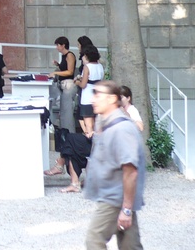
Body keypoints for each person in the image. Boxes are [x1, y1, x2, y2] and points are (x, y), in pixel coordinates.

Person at [84, 80, 145, 249]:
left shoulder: (122, 129)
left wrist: (126, 209)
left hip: (114, 199)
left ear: (111, 99)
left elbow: (131, 171)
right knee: (130, 246)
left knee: (94, 240)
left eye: (97, 95)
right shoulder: (109, 124)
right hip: (117, 197)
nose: (93, 99)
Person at [75, 45, 104, 137]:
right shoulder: (100, 66)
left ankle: (90, 142)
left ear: (87, 56)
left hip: (87, 97)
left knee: (88, 126)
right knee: (97, 125)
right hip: (98, 96)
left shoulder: (87, 67)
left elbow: (83, 85)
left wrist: (77, 82)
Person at [50, 35, 77, 132]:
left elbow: (70, 71)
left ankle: (69, 132)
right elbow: (64, 68)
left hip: (68, 84)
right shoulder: (64, 56)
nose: (56, 47)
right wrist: (58, 64)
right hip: (63, 84)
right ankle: (65, 131)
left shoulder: (70, 55)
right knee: (63, 110)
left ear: (63, 45)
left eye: (58, 45)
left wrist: (55, 73)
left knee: (67, 111)